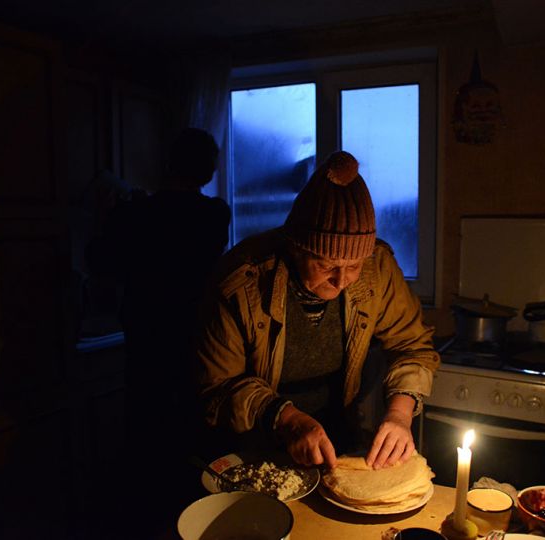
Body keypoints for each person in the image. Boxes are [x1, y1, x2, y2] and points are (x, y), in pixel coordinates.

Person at [195, 151, 438, 471]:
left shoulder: (376, 269)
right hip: (253, 447)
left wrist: (399, 414)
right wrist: (285, 417)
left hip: (338, 438)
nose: (341, 280)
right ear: (297, 248)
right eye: (326, 265)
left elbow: (413, 346)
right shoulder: (242, 283)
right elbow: (216, 386)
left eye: (353, 265)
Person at [85, 127, 230, 534]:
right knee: (193, 446)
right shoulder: (216, 214)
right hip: (199, 344)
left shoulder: (136, 214)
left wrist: (112, 213)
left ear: (168, 163)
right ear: (207, 171)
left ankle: (150, 523)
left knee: (146, 444)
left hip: (147, 342)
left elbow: (99, 263)